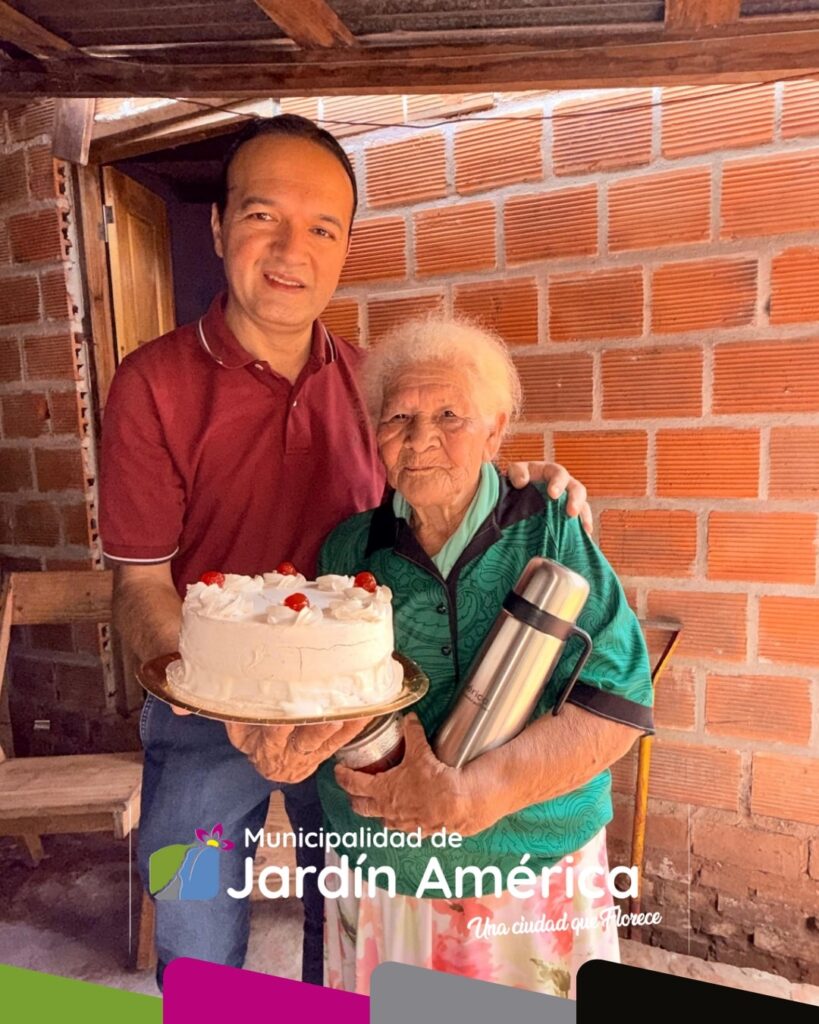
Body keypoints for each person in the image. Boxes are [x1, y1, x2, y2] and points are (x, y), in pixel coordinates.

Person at [98, 115, 591, 988]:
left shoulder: (375, 389)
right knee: (196, 915)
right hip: (205, 722)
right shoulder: (151, 385)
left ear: (346, 246)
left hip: (353, 716)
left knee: (355, 920)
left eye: (321, 227)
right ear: (217, 226)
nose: (292, 248)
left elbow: (437, 479)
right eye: (262, 216)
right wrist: (233, 712)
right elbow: (139, 584)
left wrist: (524, 484)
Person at [306, 315, 654, 998]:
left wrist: (481, 792)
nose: (419, 438)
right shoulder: (348, 550)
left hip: (528, 872)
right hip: (389, 876)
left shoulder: (549, 523)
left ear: (496, 429)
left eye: (447, 415)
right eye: (395, 416)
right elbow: (321, 699)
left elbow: (616, 698)